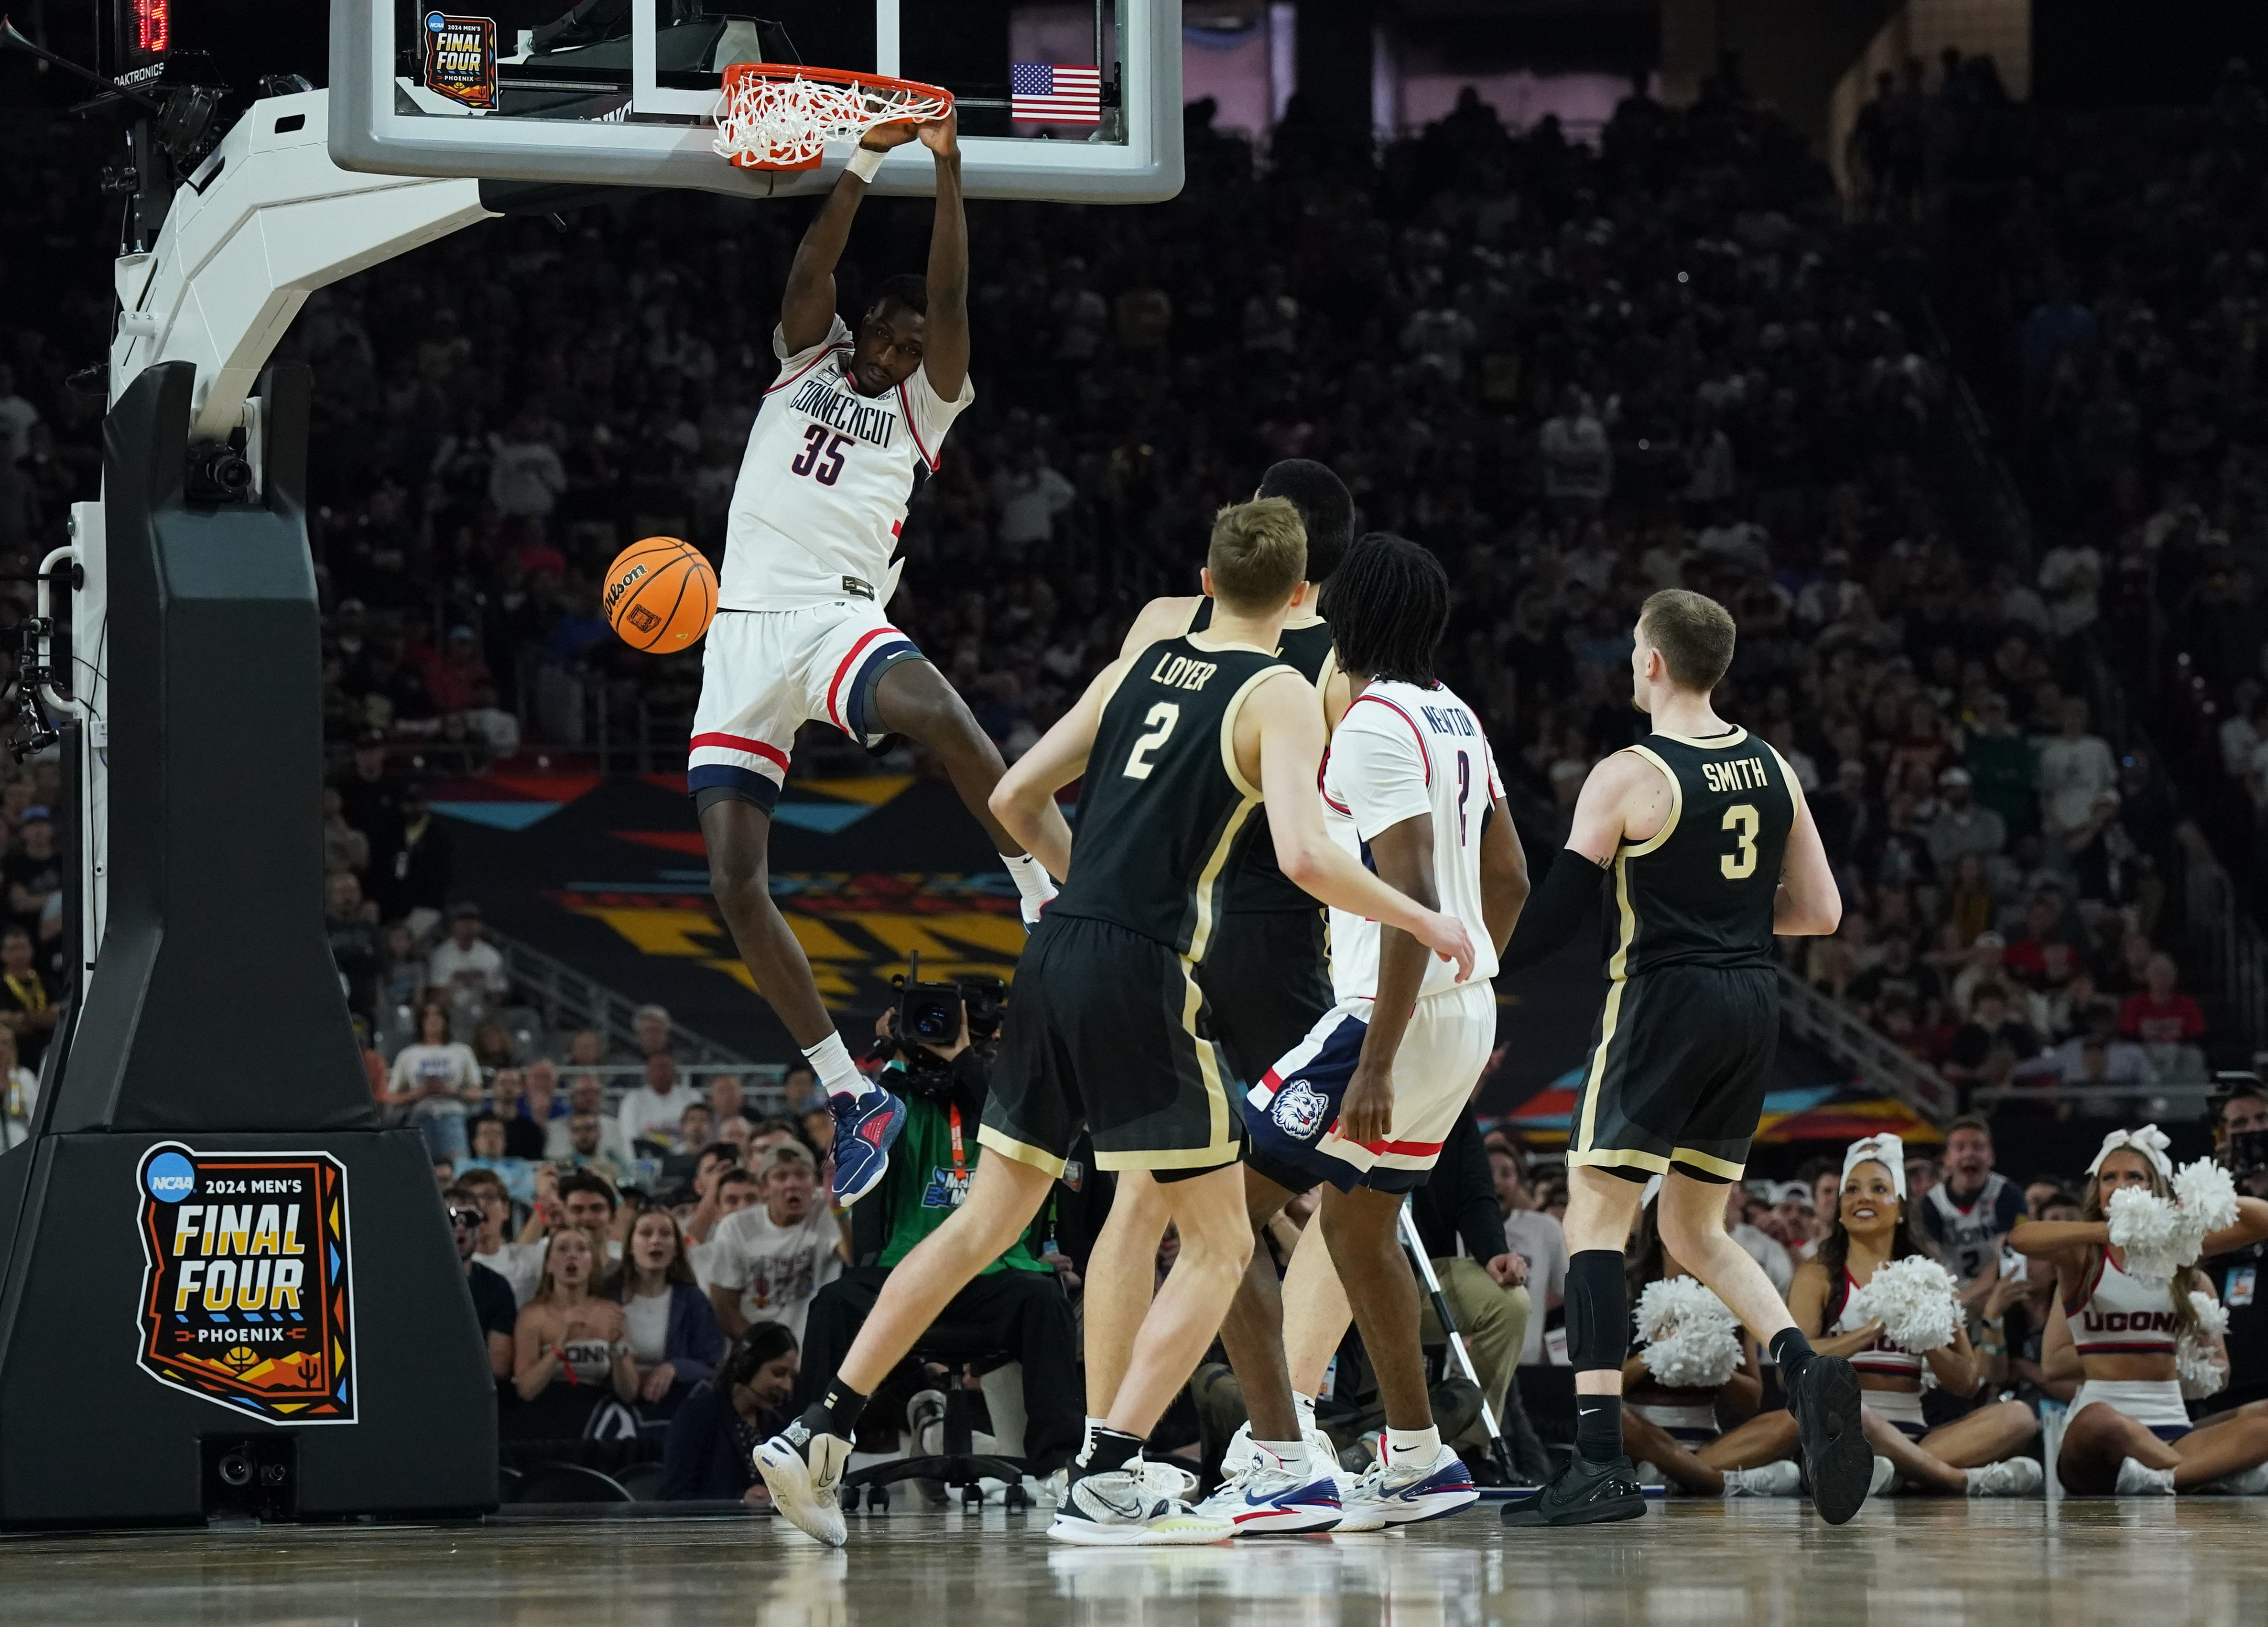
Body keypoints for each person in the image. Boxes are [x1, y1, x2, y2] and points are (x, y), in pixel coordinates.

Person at [753, 498, 1475, 1547]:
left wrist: (1078, 879)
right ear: (1300, 597)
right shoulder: (1276, 687)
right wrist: (1419, 914)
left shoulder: (1136, 661)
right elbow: (1307, 857)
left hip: (1052, 950)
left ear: (1204, 574)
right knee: (1223, 1241)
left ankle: (818, 1426)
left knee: (985, 1222)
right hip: (1141, 974)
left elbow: (1009, 794)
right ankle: (1107, 1472)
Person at [690, 108, 1070, 1209]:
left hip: (834, 615)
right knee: (731, 878)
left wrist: (945, 168)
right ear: (859, 328)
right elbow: (812, 267)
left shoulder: (922, 408)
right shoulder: (803, 358)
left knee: (945, 717)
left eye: (913, 341)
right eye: (887, 332)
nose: (900, 347)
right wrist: (860, 163)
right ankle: (850, 1094)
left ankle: (1030, 883)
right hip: (737, 636)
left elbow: (949, 302)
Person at [1489, 588, 1863, 1528]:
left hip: (1660, 999)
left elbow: (1562, 912)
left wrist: (1477, 955)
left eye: (1630, 651)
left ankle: (1596, 1459)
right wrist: (1727, 918)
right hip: (1749, 1001)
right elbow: (1820, 914)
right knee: (1694, 1227)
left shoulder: (1626, 774)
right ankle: (1798, 1362)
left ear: (1651, 661)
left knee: (1594, 1218)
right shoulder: (1772, 765)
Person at [1208, 534, 1525, 1532]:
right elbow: (1508, 876)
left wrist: (1383, 1053)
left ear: (1346, 619)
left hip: (1382, 1019)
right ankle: (1418, 1454)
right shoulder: (1456, 713)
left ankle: (1275, 1461)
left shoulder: (1373, 724)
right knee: (1357, 1227)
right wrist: (1466, 978)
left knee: (1214, 1214)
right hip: (1454, 1012)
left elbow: (1409, 895)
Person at [797, 988, 1082, 1484]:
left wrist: (964, 1056)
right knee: (832, 1304)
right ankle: (811, 1460)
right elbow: (871, 1113)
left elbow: (1002, 1114)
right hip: (905, 1275)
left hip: (991, 1276)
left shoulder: (1010, 1097)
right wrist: (897, 1049)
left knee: (1043, 1301)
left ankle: (1056, 1466)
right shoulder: (901, 1099)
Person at [2012, 1126, 2268, 1494]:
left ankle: (2165, 1477)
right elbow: (2021, 1239)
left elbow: (2261, 1221)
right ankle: (2204, 1473)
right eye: (2108, 1178)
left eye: (2135, 1176)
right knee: (2102, 1420)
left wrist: (2190, 1203)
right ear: (2096, 1191)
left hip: (2172, 1431)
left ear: (2155, 1187)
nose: (2120, 1185)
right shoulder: (2083, 1255)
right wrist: (2107, 1232)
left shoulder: (2179, 1248)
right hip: (2098, 1438)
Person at [1787, 1136, 2042, 1497]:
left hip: (1918, 1433)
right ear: (1841, 1207)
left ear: (1901, 1208)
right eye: (1852, 1190)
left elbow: (1969, 1381)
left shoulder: (1928, 1277)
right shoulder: (1817, 1274)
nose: (1863, 1198)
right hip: (1844, 1430)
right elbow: (1795, 1368)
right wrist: (1874, 1330)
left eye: (1879, 1189)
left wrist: (1922, 1334)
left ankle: (1892, 1473)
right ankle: (1958, 1479)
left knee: (2018, 1416)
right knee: (1858, 1415)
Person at [1616, 1193, 1803, 1497]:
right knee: (1612, 1416)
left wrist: (1715, 1361)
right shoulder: (1621, 1293)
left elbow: (1751, 1402)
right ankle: (1722, 1483)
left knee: (1793, 1421)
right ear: (1657, 1228)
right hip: (1641, 1441)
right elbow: (1602, 1388)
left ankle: (1676, 1475)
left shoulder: (1734, 1302)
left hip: (1708, 1444)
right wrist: (1657, 1353)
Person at [507, 1227, 640, 1440]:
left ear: (592, 1265)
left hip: (596, 1412)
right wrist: (559, 1347)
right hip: (546, 1413)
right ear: (548, 1265)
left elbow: (629, 1393)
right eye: (562, 1249)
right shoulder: (532, 1315)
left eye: (581, 1249)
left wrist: (617, 1349)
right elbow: (526, 1390)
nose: (572, 1255)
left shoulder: (610, 1312)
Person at [706, 1142, 845, 1344]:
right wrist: (765, 1350)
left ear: (815, 1183)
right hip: (759, 1349)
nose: (792, 1184)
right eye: (781, 1177)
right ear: (764, 1188)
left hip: (818, 1346)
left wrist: (840, 1211)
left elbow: (854, 1257)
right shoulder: (736, 1228)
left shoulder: (828, 1210)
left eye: (801, 1175)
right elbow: (724, 1306)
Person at [661, 1324, 801, 1502]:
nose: (787, 1386)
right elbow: (674, 1498)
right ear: (747, 1366)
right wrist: (740, 1502)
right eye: (779, 1373)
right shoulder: (697, 1416)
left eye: (791, 1376)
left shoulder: (778, 1425)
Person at [612, 1207, 726, 1419]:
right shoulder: (608, 1297)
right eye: (646, 1234)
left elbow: (713, 1362)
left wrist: (675, 1368)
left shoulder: (693, 1300)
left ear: (676, 1249)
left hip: (675, 1406)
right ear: (629, 1247)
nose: (656, 1241)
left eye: (665, 1234)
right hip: (613, 1403)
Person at [2203, 1081, 2268, 1415]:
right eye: (2240, 1125)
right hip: (2227, 1394)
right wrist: (2228, 1187)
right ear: (2222, 1137)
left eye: (2262, 1119)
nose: (2254, 1131)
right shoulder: (2207, 1195)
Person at [1920, 1115, 2026, 1304]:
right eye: (1960, 1148)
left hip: (1996, 1294)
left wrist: (1965, 1298)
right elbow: (1928, 1261)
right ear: (1948, 1160)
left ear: (1991, 1157)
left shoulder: (2007, 1194)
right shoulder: (1931, 1204)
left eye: (1978, 1147)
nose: (1969, 1154)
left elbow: (2009, 1258)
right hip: (1948, 1296)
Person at [384, 1000, 482, 1161]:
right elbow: (392, 1097)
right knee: (420, 1166)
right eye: (427, 1016)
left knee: (458, 1166)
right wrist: (418, 1093)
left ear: (446, 1020)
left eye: (438, 1016)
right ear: (421, 1022)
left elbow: (477, 1093)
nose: (433, 1020)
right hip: (420, 1117)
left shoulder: (461, 1052)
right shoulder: (408, 1054)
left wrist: (452, 1091)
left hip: (453, 1117)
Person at [445, 1186, 518, 1381]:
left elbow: (499, 1369)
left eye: (469, 1219)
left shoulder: (497, 1287)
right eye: (451, 1219)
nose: (460, 1227)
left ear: (481, 1226)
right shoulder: (412, 1285)